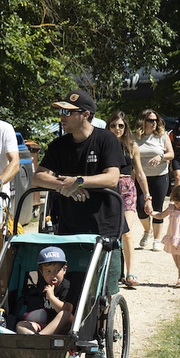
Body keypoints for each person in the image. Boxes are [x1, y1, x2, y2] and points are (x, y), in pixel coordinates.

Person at [33, 89, 124, 306]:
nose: (61, 116)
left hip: (105, 227)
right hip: (70, 228)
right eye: (61, 111)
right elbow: (37, 178)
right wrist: (65, 185)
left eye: (67, 111)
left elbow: (112, 178)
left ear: (85, 114)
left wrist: (79, 181)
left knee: (104, 290)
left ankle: (102, 329)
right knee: (72, 287)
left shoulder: (106, 139)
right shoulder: (59, 145)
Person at [107, 111, 152, 288]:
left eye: (120, 125)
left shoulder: (132, 146)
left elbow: (140, 173)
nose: (117, 129)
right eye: (113, 125)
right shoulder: (103, 144)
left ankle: (130, 273)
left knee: (126, 232)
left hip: (127, 189)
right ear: (108, 127)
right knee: (111, 233)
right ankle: (115, 271)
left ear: (125, 127)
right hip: (108, 189)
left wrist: (147, 196)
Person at [134, 108, 174, 251]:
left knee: (157, 207)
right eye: (150, 120)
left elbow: (171, 154)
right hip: (140, 178)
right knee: (140, 207)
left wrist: (161, 156)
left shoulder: (162, 136)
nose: (154, 123)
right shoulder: (134, 137)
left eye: (155, 120)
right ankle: (148, 231)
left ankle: (157, 239)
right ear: (142, 121)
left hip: (159, 176)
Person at [14, 246, 73, 336]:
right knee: (20, 325)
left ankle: (40, 338)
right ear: (41, 273)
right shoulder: (44, 285)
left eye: (57, 270)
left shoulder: (66, 285)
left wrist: (51, 296)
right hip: (48, 326)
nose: (53, 275)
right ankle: (33, 337)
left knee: (64, 314)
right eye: (48, 271)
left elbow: (67, 309)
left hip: (67, 325)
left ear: (64, 270)